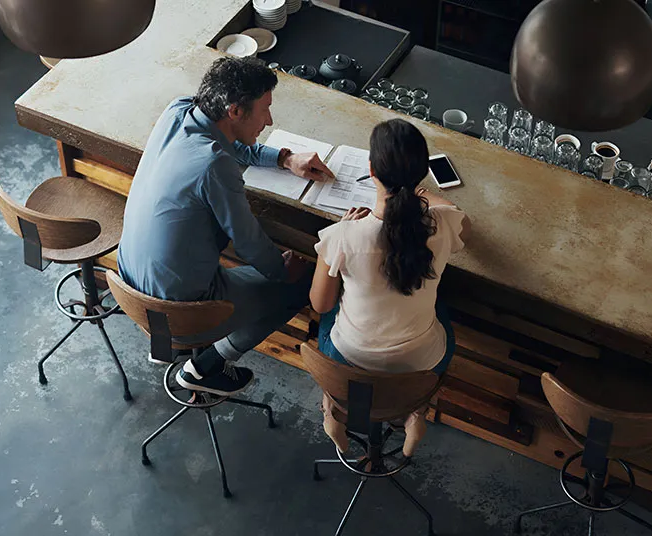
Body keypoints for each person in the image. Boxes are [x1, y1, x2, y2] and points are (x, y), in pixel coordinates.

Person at [118, 57, 334, 396]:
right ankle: (206, 367)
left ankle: (168, 346)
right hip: (181, 308)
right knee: (301, 284)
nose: (270, 120)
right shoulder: (214, 165)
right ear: (234, 111)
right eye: (264, 110)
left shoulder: (178, 111)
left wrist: (283, 158)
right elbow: (248, 243)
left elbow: (229, 143)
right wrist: (282, 269)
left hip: (129, 281)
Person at [309, 118, 471, 456]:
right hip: (421, 366)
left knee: (331, 317)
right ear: (422, 173)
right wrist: (430, 199)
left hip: (349, 360)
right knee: (440, 307)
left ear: (371, 170)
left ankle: (333, 412)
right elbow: (463, 221)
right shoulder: (439, 225)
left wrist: (341, 232)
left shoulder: (344, 236)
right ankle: (415, 413)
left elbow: (321, 304)